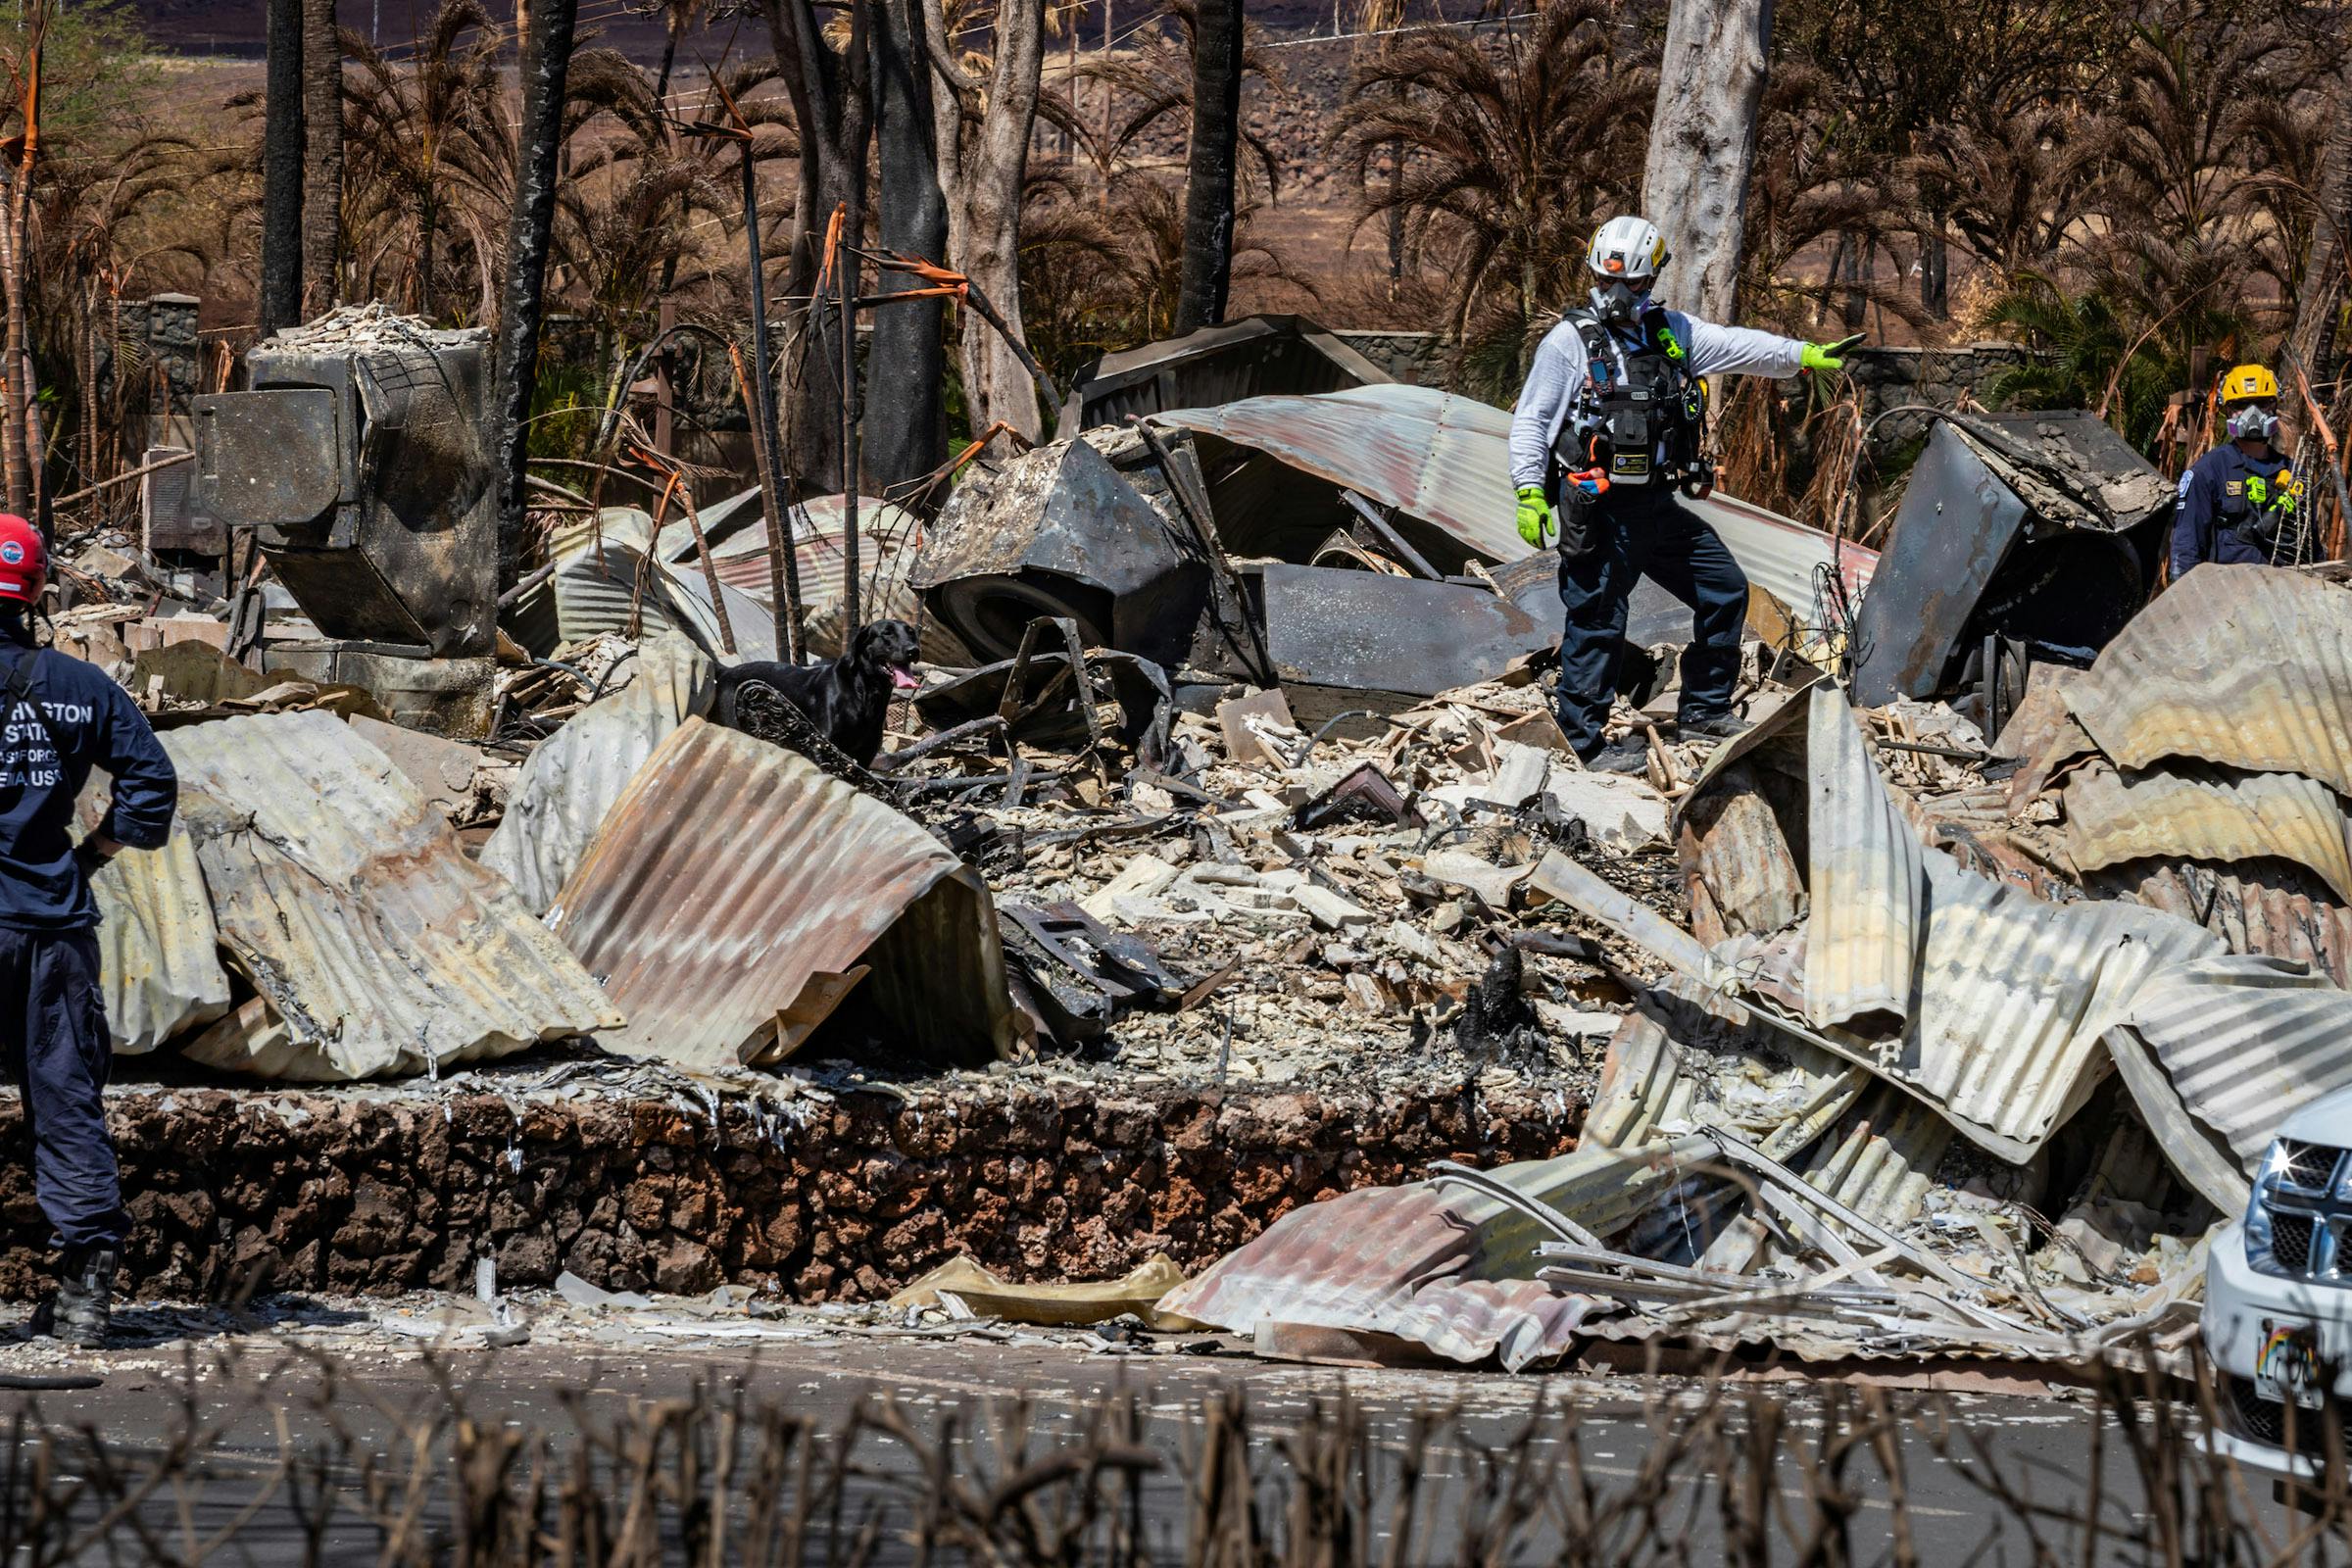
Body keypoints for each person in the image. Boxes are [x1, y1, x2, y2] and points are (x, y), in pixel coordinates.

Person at [1510, 215, 1856, 773]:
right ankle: (1585, 741)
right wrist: (1529, 489)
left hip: (1657, 507)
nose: (1617, 294)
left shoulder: (1672, 334)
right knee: (1598, 619)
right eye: (1606, 282)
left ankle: (1704, 709)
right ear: (1594, 275)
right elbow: (1532, 421)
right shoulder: (1569, 343)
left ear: (1652, 281)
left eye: (1632, 284)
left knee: (1724, 591)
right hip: (1600, 511)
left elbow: (1740, 347)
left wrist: (1804, 356)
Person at [0, 513, 174, 1346]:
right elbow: (152, 782)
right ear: (35, 593)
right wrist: (90, 853)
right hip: (53, 924)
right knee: (66, 1096)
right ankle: (83, 1289)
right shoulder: (83, 687)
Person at [2171, 364, 2309, 577]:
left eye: (2262, 403)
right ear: (2227, 409)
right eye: (2241, 405)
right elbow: (2186, 545)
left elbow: (2312, 545)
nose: (2252, 413)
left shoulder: (2295, 472)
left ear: (2274, 405)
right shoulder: (2209, 471)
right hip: (2228, 594)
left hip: (2285, 594)